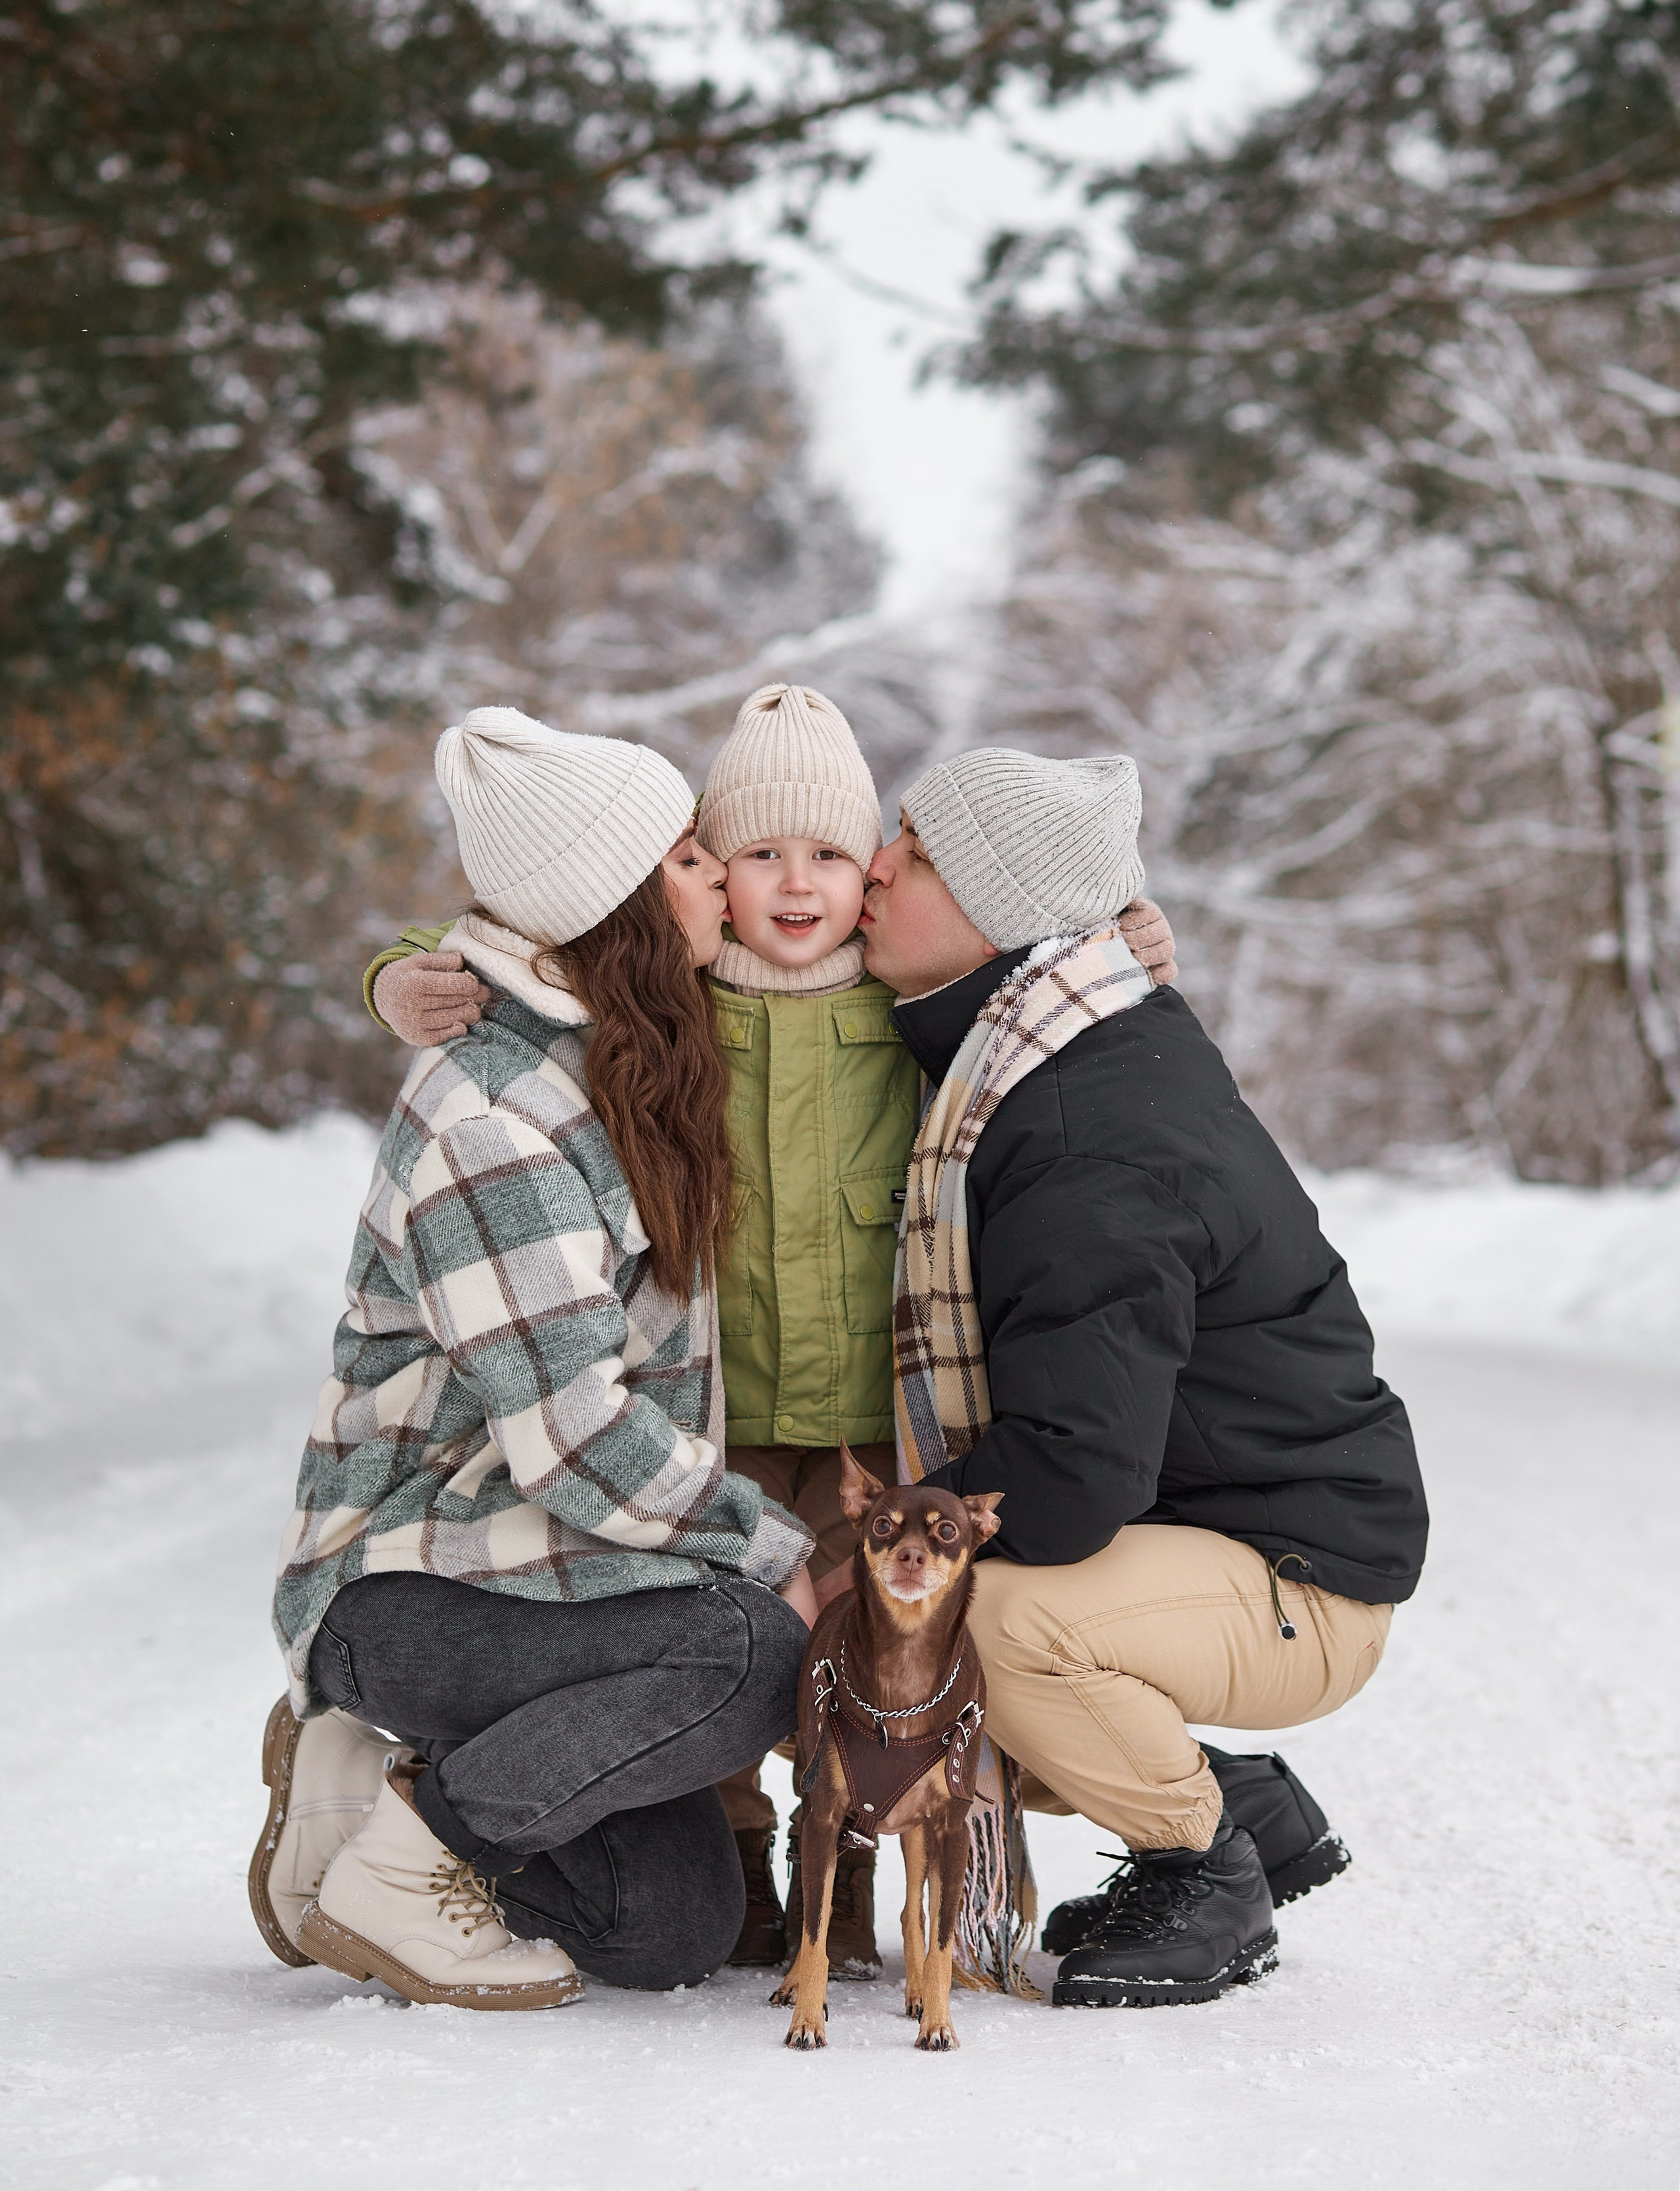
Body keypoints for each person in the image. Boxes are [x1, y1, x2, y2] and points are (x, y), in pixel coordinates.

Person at [364, 686, 1180, 1978]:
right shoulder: (667, 1003)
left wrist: (1123, 937)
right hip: (711, 1424)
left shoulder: (911, 1005)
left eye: (827, 855)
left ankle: (861, 1863)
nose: (793, 882)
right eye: (753, 854)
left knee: (885, 1647)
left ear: (871, 879)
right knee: (720, 1646)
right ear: (707, 871)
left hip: (873, 1426)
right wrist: (408, 970)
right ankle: (734, 1853)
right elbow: (546, 924)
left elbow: (1033, 964)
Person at [251, 708, 818, 2011]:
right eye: (687, 858)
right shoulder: (494, 1119)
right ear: (612, 904)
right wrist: (779, 1556)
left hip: (546, 1565)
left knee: (668, 1928)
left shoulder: (623, 1055)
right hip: (402, 1583)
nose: (724, 879)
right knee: (747, 1654)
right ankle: (421, 1848)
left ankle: (361, 1800)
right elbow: (570, 1433)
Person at [855, 746, 1428, 2008]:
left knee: (983, 1616)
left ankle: (1203, 1868)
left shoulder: (1085, 1126)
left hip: (1299, 1581)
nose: (874, 866)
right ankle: (1240, 1811)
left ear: (1002, 910)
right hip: (1223, 1539)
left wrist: (871, 1537)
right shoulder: (1047, 1047)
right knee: (966, 1608)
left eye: (918, 850)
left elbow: (1068, 1478)